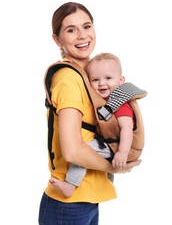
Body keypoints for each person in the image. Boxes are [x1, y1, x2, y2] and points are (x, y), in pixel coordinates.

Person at [38, 2, 141, 225]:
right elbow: (73, 152)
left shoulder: (90, 75)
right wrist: (117, 166)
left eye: (87, 26)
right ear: (57, 40)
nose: (82, 35)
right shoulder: (68, 79)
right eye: (71, 30)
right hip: (68, 204)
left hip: (87, 200)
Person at [50, 53, 134, 197]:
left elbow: (127, 128)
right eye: (95, 80)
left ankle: (70, 185)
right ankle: (107, 183)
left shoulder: (119, 105)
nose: (101, 83)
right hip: (108, 144)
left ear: (121, 81)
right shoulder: (102, 101)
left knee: (84, 152)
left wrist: (122, 152)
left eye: (108, 78)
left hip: (115, 146)